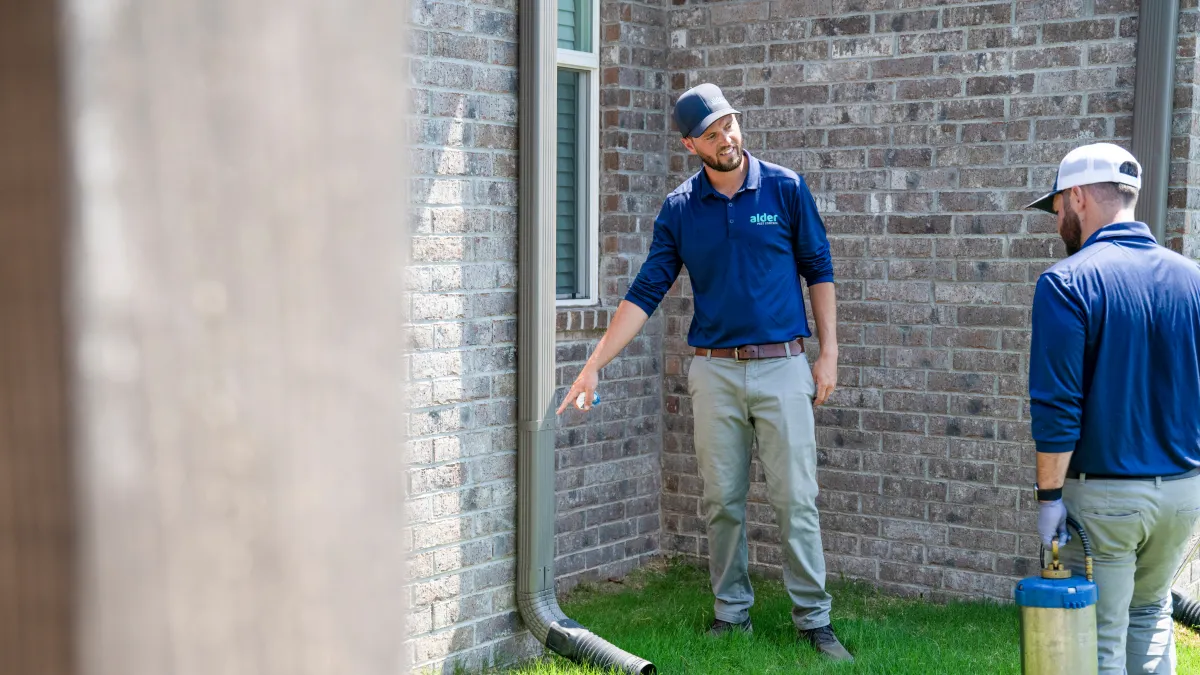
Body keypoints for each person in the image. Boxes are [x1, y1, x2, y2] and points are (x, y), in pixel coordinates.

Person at [556, 83, 852, 662]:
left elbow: (819, 267)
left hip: (784, 366)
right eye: (712, 134)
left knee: (797, 499)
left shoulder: (785, 188)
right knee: (722, 501)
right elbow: (647, 290)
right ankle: (731, 614)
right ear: (692, 144)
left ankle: (815, 621)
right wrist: (594, 364)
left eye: (731, 125)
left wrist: (829, 353)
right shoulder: (681, 209)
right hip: (714, 373)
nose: (728, 139)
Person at [1025, 142, 1200, 674]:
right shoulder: (1193, 279)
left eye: (1056, 207)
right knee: (1150, 620)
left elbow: (1057, 408)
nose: (1056, 220)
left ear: (1078, 197)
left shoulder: (1067, 283)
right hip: (1182, 494)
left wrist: (1049, 497)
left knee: (1098, 641)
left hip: (1105, 499)